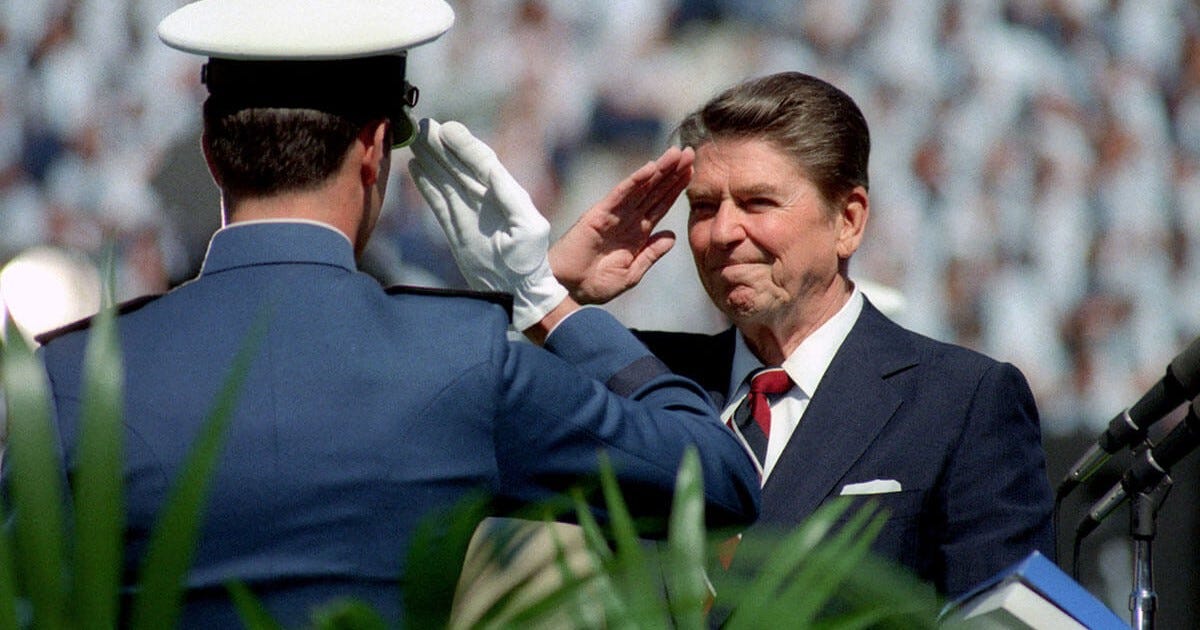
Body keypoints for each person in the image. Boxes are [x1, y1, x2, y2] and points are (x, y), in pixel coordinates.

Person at [22, 1, 760, 626]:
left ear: (211, 151)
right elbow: (716, 479)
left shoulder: (73, 374)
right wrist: (543, 297)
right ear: (375, 147)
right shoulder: (458, 357)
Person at [422, 71, 1056, 598]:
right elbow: (441, 441)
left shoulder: (960, 402)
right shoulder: (640, 377)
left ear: (848, 221)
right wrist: (550, 289)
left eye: (758, 203)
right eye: (703, 207)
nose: (722, 233)